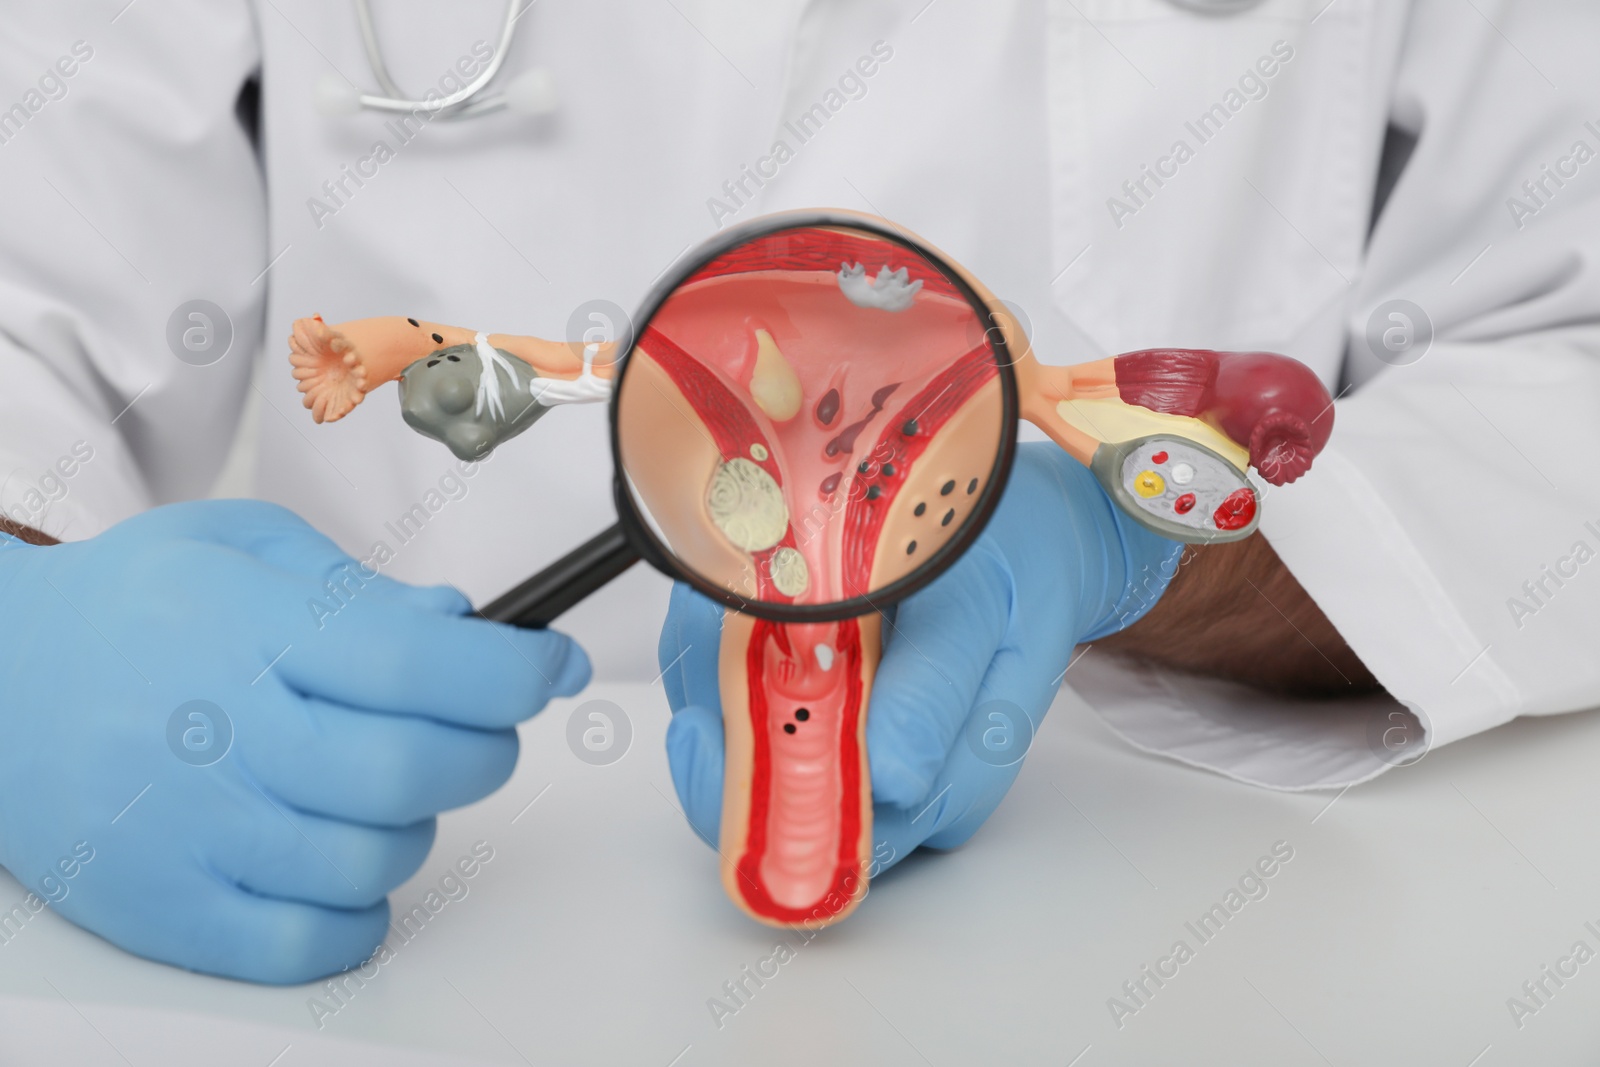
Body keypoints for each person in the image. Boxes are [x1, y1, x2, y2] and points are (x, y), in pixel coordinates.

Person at [1, 0, 1596, 983]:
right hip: (413, 920)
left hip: (1193, 937)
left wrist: (1132, 550)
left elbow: (1574, 357)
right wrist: (18, 632)